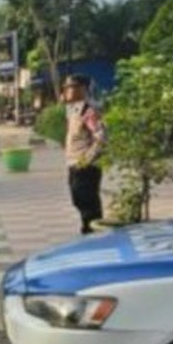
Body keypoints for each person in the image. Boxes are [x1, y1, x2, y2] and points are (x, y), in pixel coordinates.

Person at [63, 74, 106, 235]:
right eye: (66, 87)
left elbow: (101, 137)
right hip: (74, 164)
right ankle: (87, 228)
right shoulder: (73, 110)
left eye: (72, 87)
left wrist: (88, 159)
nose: (68, 90)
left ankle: (92, 233)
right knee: (78, 199)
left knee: (88, 203)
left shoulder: (88, 111)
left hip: (86, 166)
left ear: (83, 89)